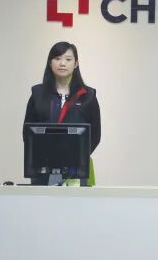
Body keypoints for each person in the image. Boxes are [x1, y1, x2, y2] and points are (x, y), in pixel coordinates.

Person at [23, 42, 101, 182]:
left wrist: (75, 159)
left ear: (76, 64)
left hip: (75, 172)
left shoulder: (87, 96)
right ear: (50, 63)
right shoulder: (38, 94)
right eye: (57, 58)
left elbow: (95, 135)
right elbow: (28, 133)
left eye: (68, 59)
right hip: (43, 170)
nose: (62, 63)